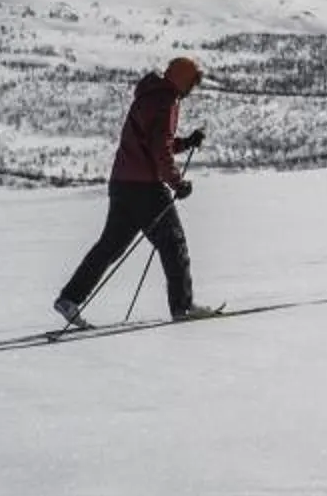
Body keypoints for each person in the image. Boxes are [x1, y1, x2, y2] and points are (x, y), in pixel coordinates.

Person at [54, 56, 216, 325]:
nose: (192, 90)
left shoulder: (149, 95)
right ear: (183, 79)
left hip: (122, 184)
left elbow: (152, 141)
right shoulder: (166, 101)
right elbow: (159, 149)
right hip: (146, 188)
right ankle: (183, 307)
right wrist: (177, 183)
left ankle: (69, 298)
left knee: (109, 247)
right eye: (192, 83)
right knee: (173, 244)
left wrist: (186, 143)